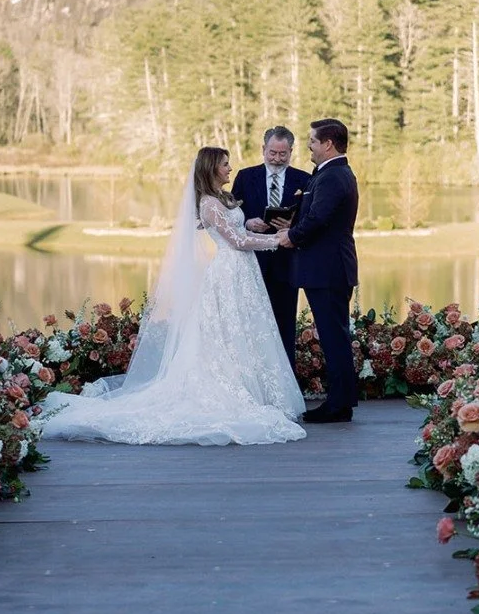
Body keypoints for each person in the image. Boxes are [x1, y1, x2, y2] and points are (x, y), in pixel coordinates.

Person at [41, 146, 305, 446]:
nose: (230, 169)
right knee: (224, 331)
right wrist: (278, 240)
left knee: (244, 330)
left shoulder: (224, 198)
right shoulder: (208, 203)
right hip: (228, 270)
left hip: (243, 273)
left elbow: (239, 229)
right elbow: (236, 241)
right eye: (225, 164)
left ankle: (254, 388)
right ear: (211, 168)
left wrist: (251, 224)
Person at [277, 119, 360, 423]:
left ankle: (338, 405)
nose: (309, 146)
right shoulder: (329, 173)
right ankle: (342, 401)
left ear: (327, 144)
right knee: (333, 335)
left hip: (329, 270)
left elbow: (321, 219)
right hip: (328, 269)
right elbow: (315, 214)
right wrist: (294, 222)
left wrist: (292, 236)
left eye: (312, 141)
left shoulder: (334, 176)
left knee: (333, 336)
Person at [231, 127, 311, 370]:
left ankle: (285, 378)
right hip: (251, 260)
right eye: (272, 153)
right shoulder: (245, 177)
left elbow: (310, 218)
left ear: (291, 151)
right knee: (250, 321)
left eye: (283, 154)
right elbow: (231, 213)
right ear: (263, 149)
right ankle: (252, 375)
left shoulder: (304, 179)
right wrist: (247, 222)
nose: (277, 159)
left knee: (284, 322)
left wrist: (292, 225)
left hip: (287, 262)